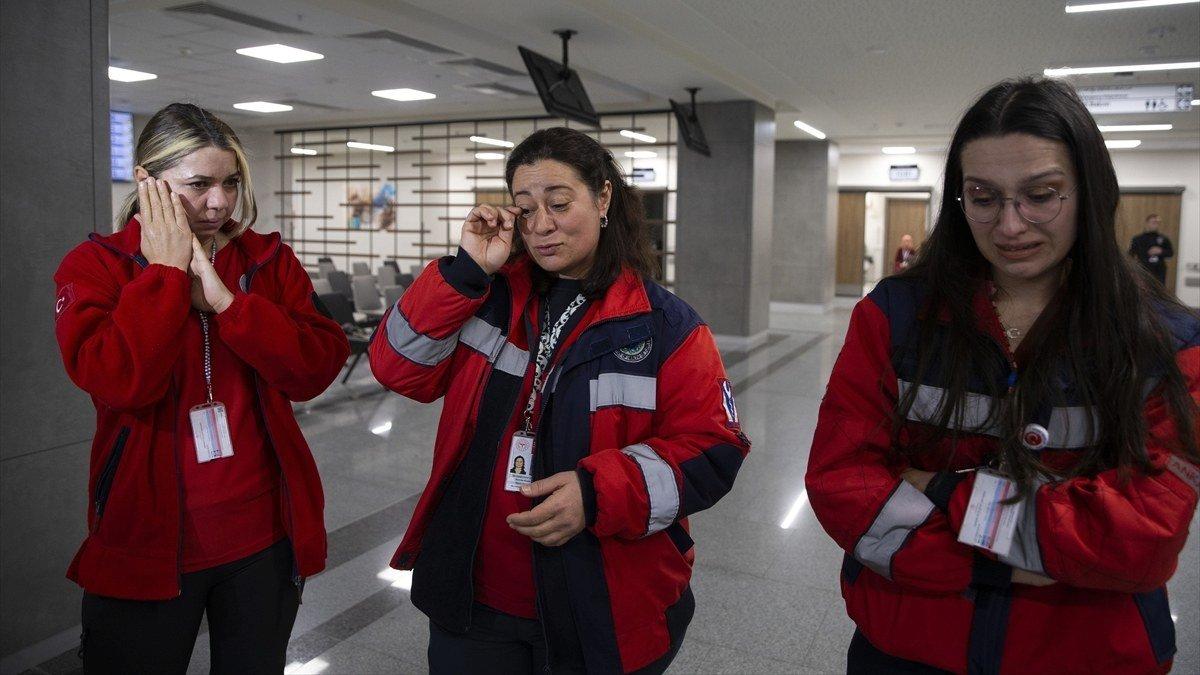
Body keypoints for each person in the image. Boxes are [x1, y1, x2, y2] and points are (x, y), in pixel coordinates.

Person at [806, 78, 1199, 674]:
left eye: (1042, 195)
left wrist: (940, 491)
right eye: (983, 197)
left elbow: (1145, 535)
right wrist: (1020, 554)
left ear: (1089, 191)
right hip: (907, 645)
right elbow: (843, 484)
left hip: (1086, 654)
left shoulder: (1167, 342)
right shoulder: (893, 317)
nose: (1010, 226)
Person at [369, 127, 750, 674]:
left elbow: (715, 448)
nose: (541, 226)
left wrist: (597, 492)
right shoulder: (486, 297)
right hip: (475, 596)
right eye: (525, 209)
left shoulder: (666, 327)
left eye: (560, 203)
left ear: (603, 198)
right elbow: (397, 367)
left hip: (597, 603)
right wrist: (466, 270)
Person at [54, 103, 350, 674]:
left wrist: (226, 304)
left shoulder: (266, 260)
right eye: (199, 185)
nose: (219, 202)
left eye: (231, 182)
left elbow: (315, 367)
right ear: (147, 181)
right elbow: (120, 382)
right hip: (149, 538)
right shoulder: (98, 266)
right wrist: (164, 277)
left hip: (263, 536)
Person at [1129, 214, 1175, 285]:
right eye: (1153, 222)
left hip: (1159, 270)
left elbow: (1170, 253)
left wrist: (1161, 251)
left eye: (1157, 223)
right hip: (1143, 269)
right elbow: (1131, 254)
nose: (1155, 224)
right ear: (1147, 223)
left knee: (1159, 291)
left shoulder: (1163, 239)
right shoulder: (1138, 239)